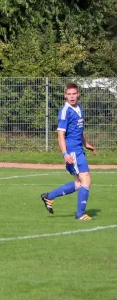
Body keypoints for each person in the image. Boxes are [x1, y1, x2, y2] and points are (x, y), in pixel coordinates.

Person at [41, 82, 96, 220]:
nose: (71, 97)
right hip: (72, 151)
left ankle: (49, 196)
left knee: (79, 183)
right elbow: (60, 135)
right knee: (86, 180)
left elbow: (79, 130)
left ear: (78, 94)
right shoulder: (65, 111)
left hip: (79, 149)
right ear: (65, 96)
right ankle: (80, 214)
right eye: (69, 94)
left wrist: (86, 143)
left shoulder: (79, 108)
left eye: (74, 94)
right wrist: (65, 154)